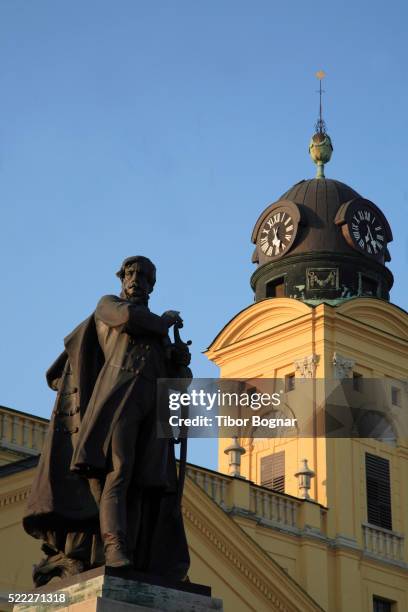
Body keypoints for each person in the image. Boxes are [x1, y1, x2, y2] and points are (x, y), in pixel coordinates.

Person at [23, 256, 191, 585]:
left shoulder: (157, 334)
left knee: (147, 485)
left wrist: (179, 362)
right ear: (122, 278)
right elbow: (127, 317)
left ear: (152, 284)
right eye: (131, 273)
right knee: (120, 472)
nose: (136, 279)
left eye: (144, 276)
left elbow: (178, 383)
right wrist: (165, 321)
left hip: (153, 409)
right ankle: (115, 546)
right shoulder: (109, 306)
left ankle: (141, 558)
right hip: (118, 401)